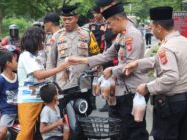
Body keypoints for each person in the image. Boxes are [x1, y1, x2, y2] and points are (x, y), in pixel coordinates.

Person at [67, 3, 149, 140]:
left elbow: (130, 65)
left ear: (118, 19)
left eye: (110, 23)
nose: (109, 27)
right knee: (117, 131)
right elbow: (106, 56)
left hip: (132, 92)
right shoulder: (121, 35)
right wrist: (81, 60)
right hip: (120, 91)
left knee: (133, 132)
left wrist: (111, 70)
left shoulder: (132, 35)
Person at [123, 6, 187, 140]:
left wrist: (147, 87)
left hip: (171, 105)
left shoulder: (167, 48)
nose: (151, 31)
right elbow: (160, 60)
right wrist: (138, 63)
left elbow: (170, 77)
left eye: (151, 27)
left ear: (159, 27)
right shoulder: (182, 42)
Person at [16, 27, 69, 140]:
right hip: (28, 100)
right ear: (35, 40)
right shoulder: (26, 56)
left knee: (42, 131)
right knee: (26, 133)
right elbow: (39, 75)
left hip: (39, 99)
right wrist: (60, 68)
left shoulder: (34, 57)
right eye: (42, 40)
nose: (43, 43)